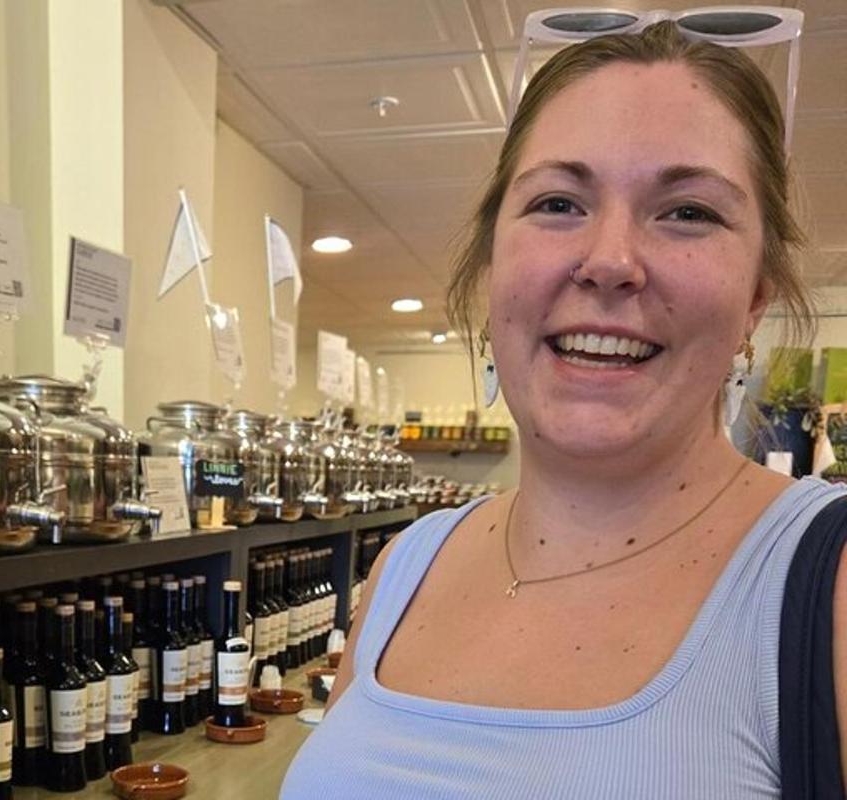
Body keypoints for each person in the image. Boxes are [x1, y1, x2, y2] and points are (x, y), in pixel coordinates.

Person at [281, 20, 845, 800]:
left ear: (755, 296)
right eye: (557, 201)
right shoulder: (406, 566)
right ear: (492, 265)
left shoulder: (826, 585)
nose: (610, 261)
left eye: (688, 212)